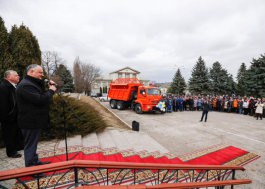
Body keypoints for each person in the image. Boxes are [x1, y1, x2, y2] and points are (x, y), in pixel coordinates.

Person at [16, 64, 57, 167]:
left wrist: (50, 88)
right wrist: (51, 91)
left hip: (34, 120)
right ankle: (31, 167)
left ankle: (35, 162)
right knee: (30, 145)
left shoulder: (31, 83)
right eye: (40, 72)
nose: (42, 75)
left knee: (33, 144)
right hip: (30, 121)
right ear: (31, 72)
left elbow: (42, 95)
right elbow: (40, 99)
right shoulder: (26, 85)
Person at [0, 70, 24, 158]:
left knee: (16, 132)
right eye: (16, 75)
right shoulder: (3, 87)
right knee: (9, 134)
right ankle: (11, 152)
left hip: (15, 116)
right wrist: (7, 116)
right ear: (9, 77)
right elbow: (3, 105)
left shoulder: (13, 86)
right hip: (8, 117)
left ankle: (17, 146)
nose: (18, 76)